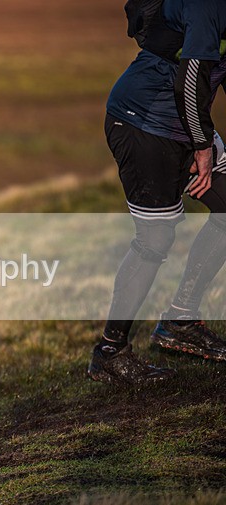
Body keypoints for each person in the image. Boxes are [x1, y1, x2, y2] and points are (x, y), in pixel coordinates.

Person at [88, 0, 226, 385]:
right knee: (155, 237)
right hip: (142, 122)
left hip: (188, 124)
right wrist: (202, 146)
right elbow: (190, 76)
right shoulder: (208, 4)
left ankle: (180, 321)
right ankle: (110, 353)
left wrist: (200, 141)